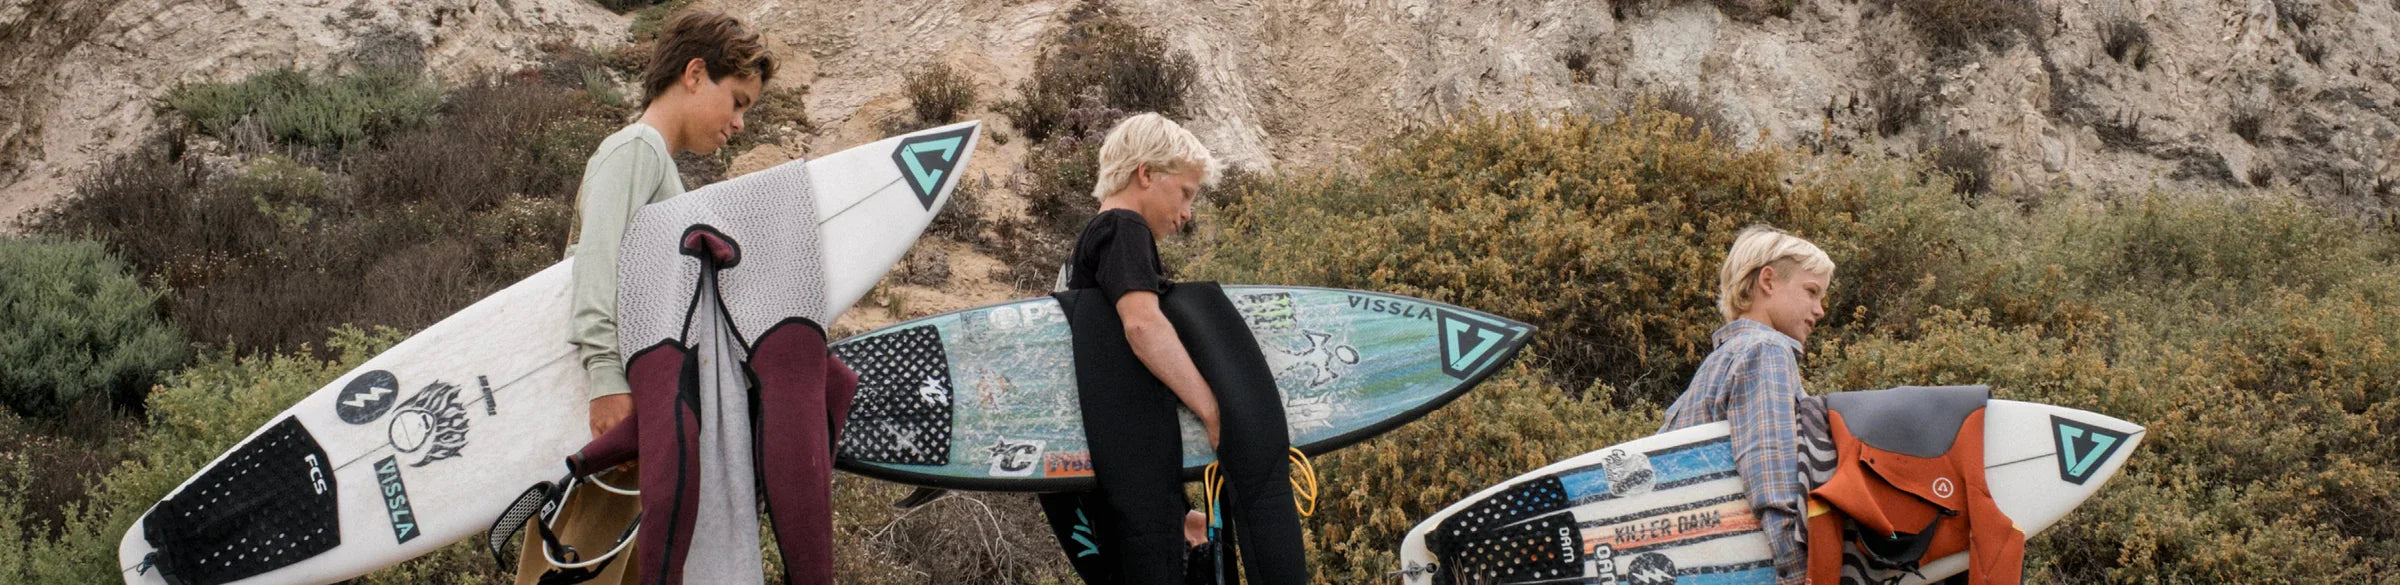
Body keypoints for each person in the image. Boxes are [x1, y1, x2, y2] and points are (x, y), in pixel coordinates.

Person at [530, 10, 770, 585]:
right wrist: (608, 377)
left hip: (644, 419)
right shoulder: (635, 148)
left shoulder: (659, 168)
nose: (738, 123)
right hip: (613, 411)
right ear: (694, 74)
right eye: (736, 100)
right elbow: (595, 263)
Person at [1037, 113, 1308, 584]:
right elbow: (1143, 327)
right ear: (1146, 174)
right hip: (1118, 457)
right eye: (1184, 193)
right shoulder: (1123, 227)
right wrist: (1214, 409)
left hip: (1095, 465)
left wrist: (1183, 511)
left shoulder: (1086, 245)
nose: (1186, 215)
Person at [1657, 225, 1835, 585]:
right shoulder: (1765, 352)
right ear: (1768, 281)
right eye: (1811, 291)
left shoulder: (1717, 365)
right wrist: (1803, 575)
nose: (1819, 311)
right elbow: (1774, 485)